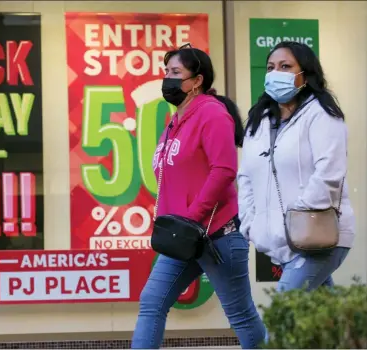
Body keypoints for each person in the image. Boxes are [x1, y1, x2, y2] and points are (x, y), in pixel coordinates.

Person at [131, 44, 266, 349]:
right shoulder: (175, 122)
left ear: (197, 80)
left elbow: (224, 170)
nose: (168, 78)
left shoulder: (212, 114)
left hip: (216, 235)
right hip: (184, 237)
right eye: (166, 72)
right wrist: (181, 225)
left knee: (240, 316)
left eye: (176, 72)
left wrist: (191, 217)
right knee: (152, 302)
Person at [237, 41, 354, 293]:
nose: (275, 73)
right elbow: (245, 176)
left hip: (318, 236)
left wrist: (295, 218)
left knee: (284, 317)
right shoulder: (259, 122)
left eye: (285, 66)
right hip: (282, 242)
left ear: (304, 74)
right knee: (318, 322)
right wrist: (250, 223)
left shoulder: (321, 114)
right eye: (270, 67)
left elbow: (329, 173)